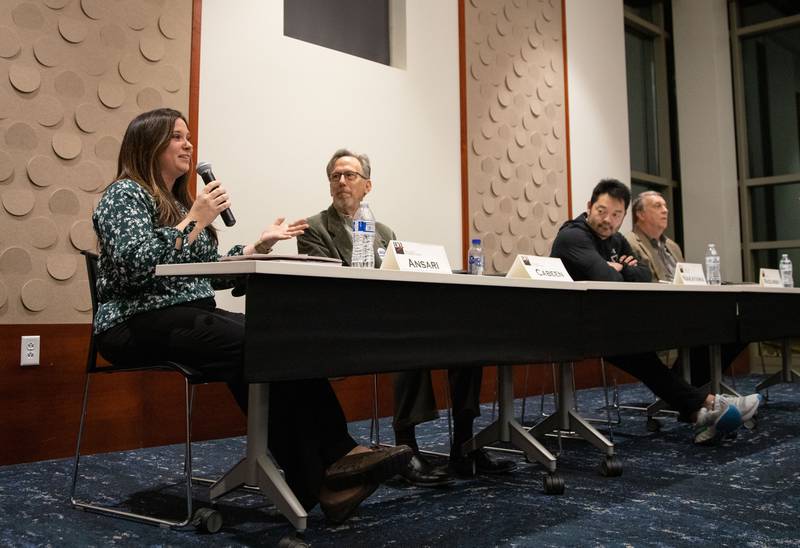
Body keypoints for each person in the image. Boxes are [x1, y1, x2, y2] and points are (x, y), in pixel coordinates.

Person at [91, 109, 411, 524]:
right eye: (176, 137)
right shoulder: (125, 195)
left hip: (186, 316)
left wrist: (256, 249)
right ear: (148, 144)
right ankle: (324, 473)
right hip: (132, 323)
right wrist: (195, 220)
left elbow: (208, 268)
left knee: (281, 338)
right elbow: (136, 265)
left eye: (189, 137)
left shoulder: (181, 204)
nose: (189, 144)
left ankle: (334, 462)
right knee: (256, 345)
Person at [297, 148, 515, 484]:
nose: (342, 182)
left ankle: (464, 446)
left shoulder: (384, 231)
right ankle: (406, 448)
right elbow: (325, 288)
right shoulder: (314, 228)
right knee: (407, 339)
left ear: (367, 186)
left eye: (350, 175)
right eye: (335, 176)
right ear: (329, 185)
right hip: (344, 324)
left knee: (465, 343)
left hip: (387, 319)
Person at [550, 179, 762, 444]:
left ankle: (702, 410)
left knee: (675, 337)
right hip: (569, 327)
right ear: (589, 206)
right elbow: (608, 279)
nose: (608, 220)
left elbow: (643, 275)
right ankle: (707, 405)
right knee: (636, 348)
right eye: (602, 211)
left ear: (624, 216)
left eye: (616, 214)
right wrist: (618, 269)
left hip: (606, 324)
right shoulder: (574, 235)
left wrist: (621, 268)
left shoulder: (615, 240)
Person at [625, 191, 748, 387]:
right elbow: (642, 283)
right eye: (657, 206)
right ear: (640, 214)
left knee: (739, 325)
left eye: (665, 206)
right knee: (714, 325)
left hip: (686, 306)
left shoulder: (672, 246)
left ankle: (691, 383)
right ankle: (686, 385)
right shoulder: (630, 242)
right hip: (656, 311)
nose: (665, 210)